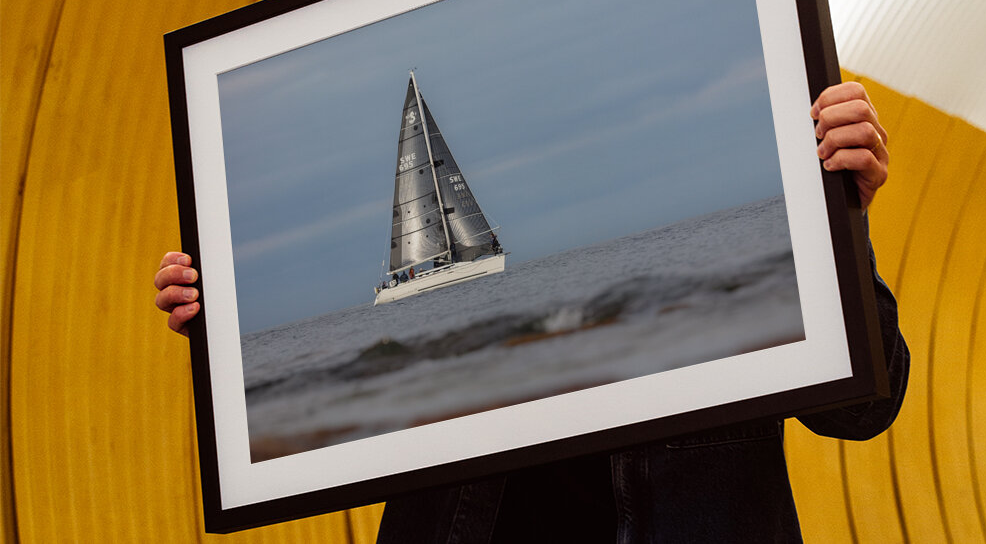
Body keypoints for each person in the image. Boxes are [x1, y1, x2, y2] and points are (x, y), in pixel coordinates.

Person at [154, 82, 907, 542]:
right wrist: (235, 324)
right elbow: (339, 394)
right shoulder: (437, 314)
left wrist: (840, 217)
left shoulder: (754, 211)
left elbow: (865, 408)